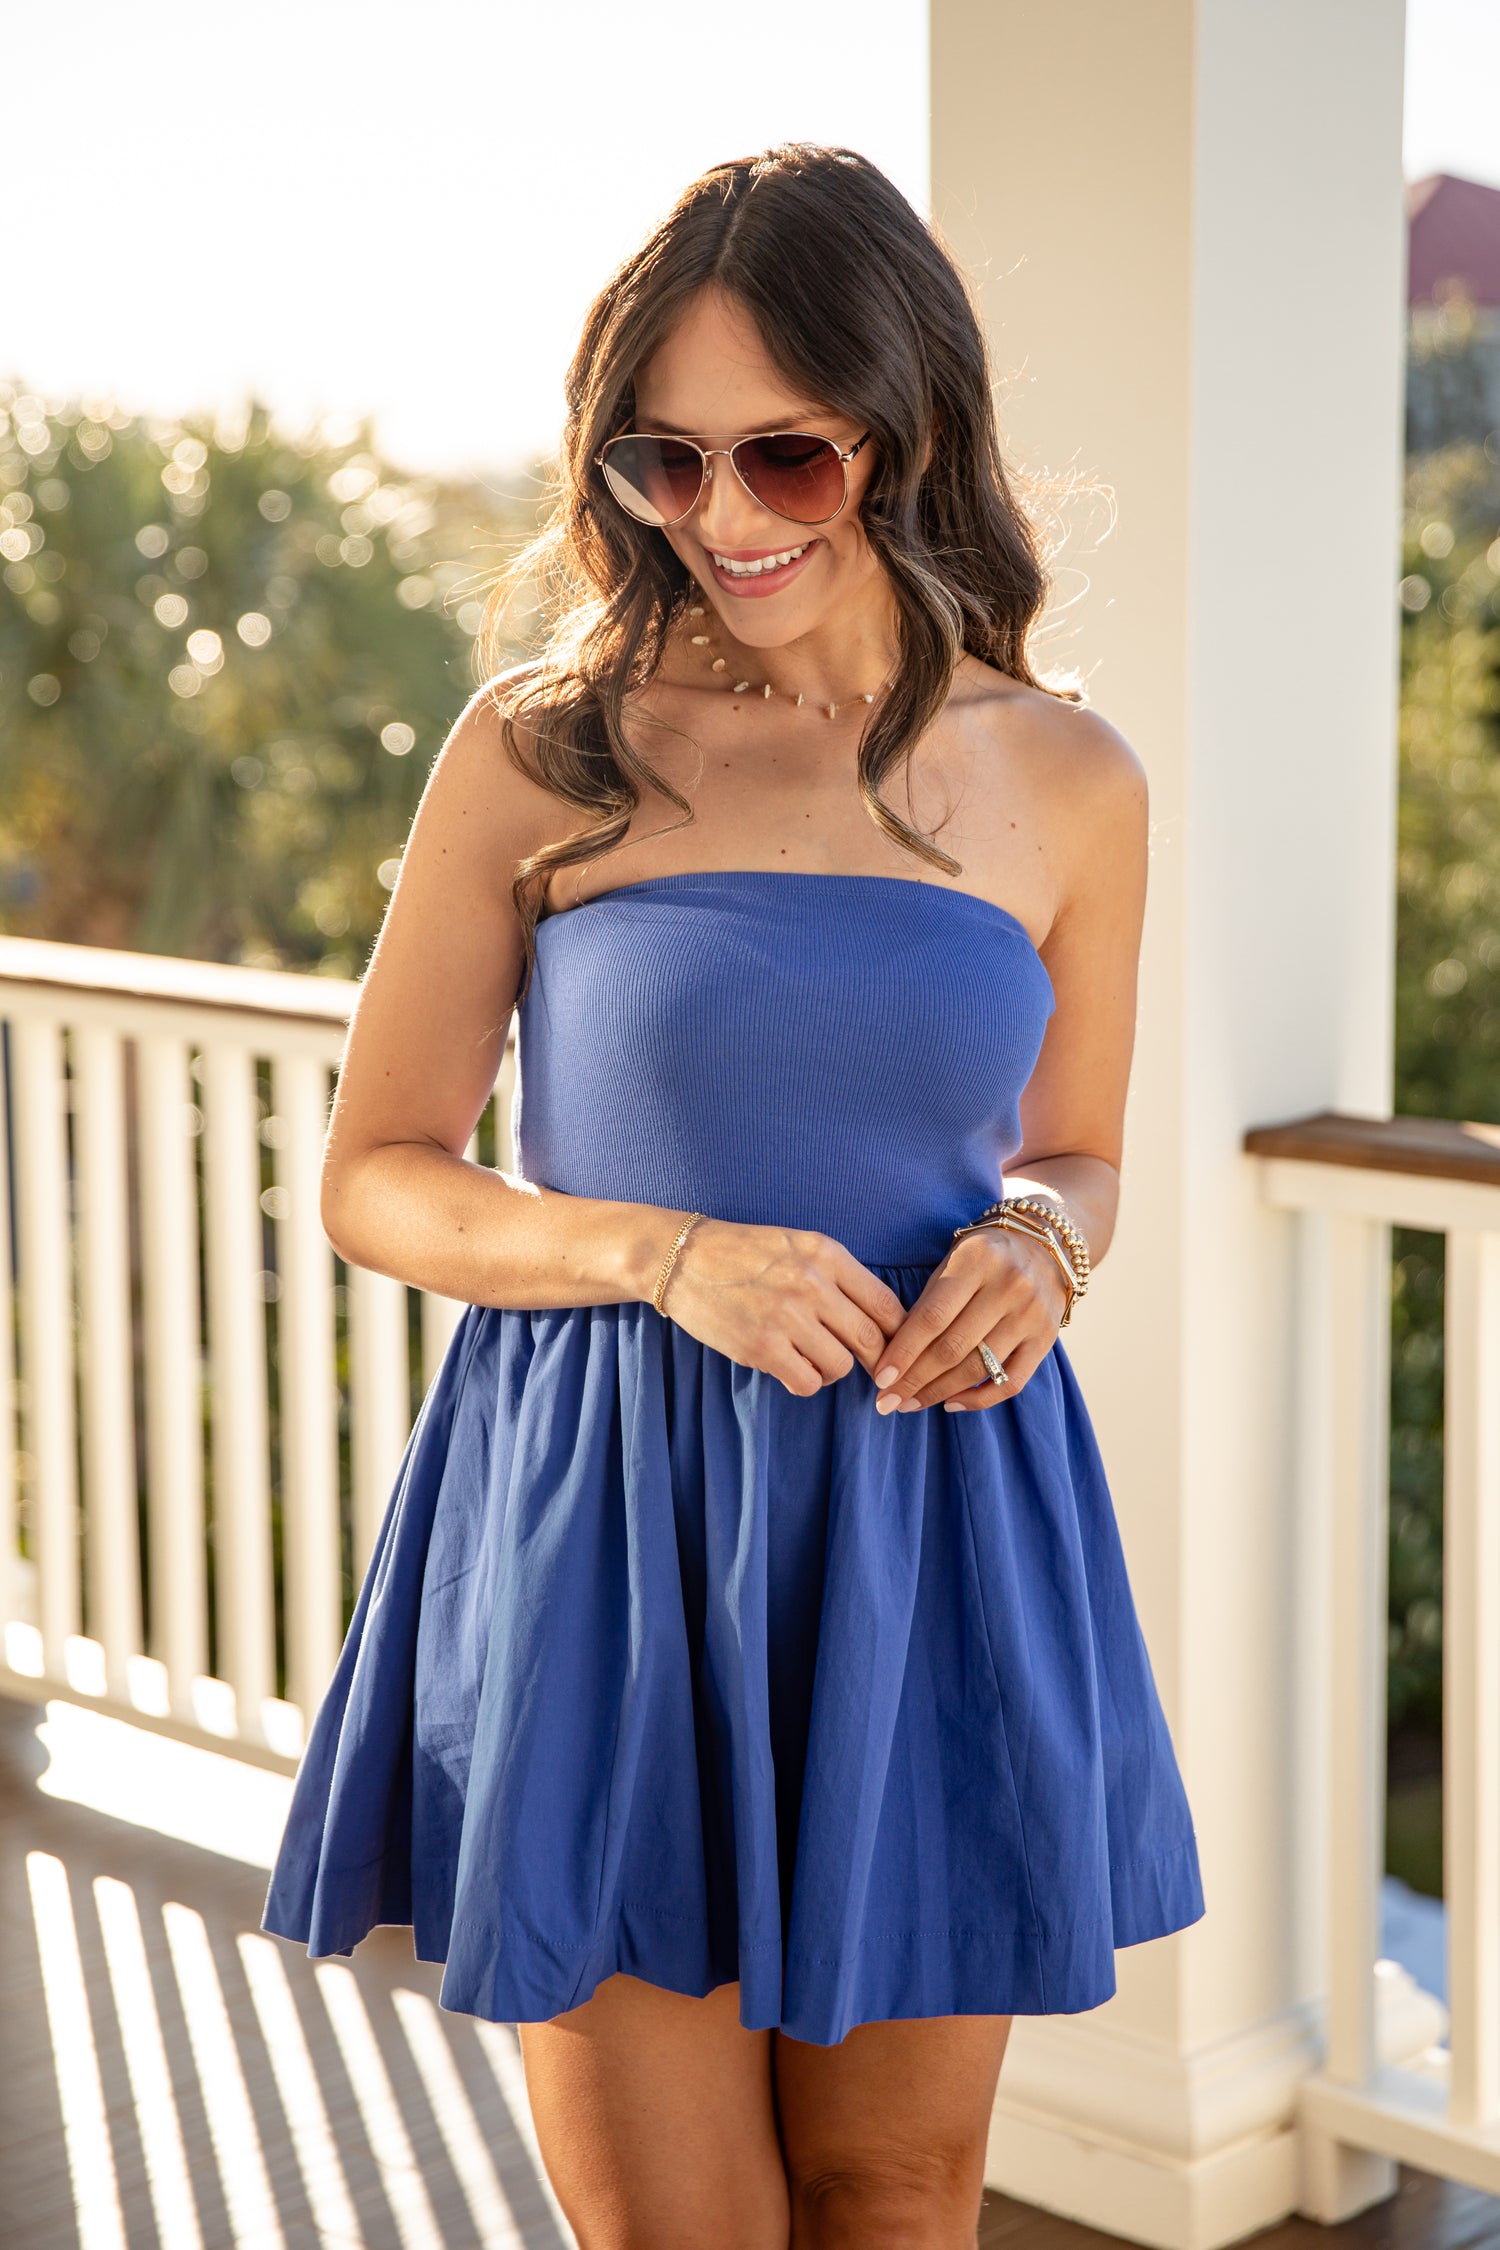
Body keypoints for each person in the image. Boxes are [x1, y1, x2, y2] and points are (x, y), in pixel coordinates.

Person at [263, 142, 1204, 2250]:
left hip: (929, 1524)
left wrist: (1041, 1243)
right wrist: (657, 1252)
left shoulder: (1069, 777)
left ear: (909, 426)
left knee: (902, 2192)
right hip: (602, 1526)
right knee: (677, 2225)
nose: (725, 515)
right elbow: (376, 1176)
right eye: (664, 462)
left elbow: (1081, 1151)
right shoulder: (546, 747)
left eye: (787, 453)